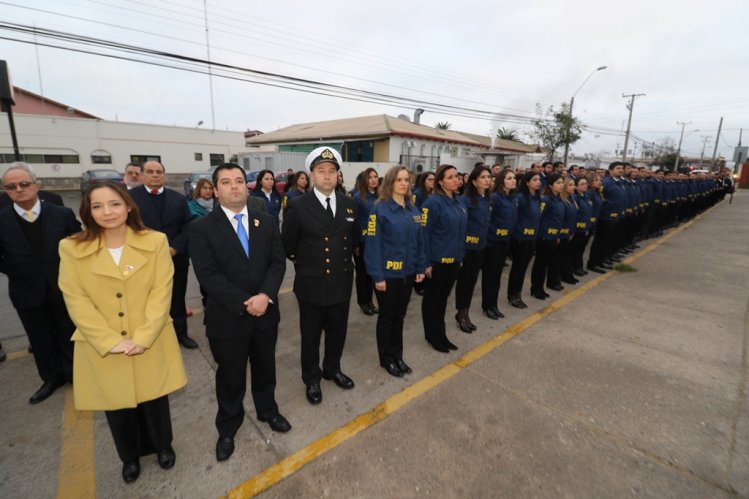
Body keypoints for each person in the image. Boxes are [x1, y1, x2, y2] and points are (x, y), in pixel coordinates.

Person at [58, 182, 187, 483]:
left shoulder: (154, 241)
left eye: (115, 204)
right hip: (102, 343)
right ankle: (129, 457)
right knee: (116, 407)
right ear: (87, 212)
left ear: (129, 206)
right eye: (98, 206)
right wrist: (110, 341)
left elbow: (161, 290)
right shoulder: (72, 248)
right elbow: (75, 299)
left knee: (155, 400)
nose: (108, 212)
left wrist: (142, 337)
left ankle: (162, 446)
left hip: (149, 337)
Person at [189, 163, 290, 463]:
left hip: (265, 314)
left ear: (247, 187)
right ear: (216, 190)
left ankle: (267, 410)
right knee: (230, 377)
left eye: (239, 181)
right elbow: (207, 275)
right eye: (226, 182)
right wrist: (248, 301)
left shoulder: (267, 221)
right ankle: (228, 427)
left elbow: (278, 263)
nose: (234, 186)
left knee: (265, 368)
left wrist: (265, 296)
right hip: (228, 318)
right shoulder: (201, 228)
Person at [281, 147, 358, 405]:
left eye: (332, 171)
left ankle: (332, 368)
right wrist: (307, 265)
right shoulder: (298, 205)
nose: (327, 176)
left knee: (338, 331)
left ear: (338, 175)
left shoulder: (349, 204)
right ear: (311, 175)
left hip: (341, 281)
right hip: (311, 283)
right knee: (311, 336)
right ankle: (312, 378)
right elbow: (288, 244)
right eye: (321, 171)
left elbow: (353, 240)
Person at [0, 162, 81, 404]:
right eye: (12, 186)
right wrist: (15, 269)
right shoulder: (1, 219)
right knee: (40, 337)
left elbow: (78, 244)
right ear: (6, 190)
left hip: (63, 287)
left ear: (36, 186)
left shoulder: (61, 214)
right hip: (26, 290)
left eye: (24, 184)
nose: (19, 189)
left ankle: (73, 373)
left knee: (68, 331)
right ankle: (50, 377)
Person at [364, 165, 426, 377]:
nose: (404, 183)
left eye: (406, 180)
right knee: (387, 317)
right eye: (399, 179)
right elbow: (372, 246)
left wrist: (420, 266)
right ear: (390, 182)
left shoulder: (413, 209)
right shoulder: (379, 209)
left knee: (399, 317)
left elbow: (419, 241)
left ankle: (397, 355)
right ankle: (386, 358)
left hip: (407, 274)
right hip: (387, 275)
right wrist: (377, 276)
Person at [129, 161, 198, 349]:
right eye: (150, 172)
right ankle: (151, 337)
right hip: (143, 260)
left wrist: (175, 247)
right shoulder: (130, 198)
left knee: (177, 298)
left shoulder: (178, 198)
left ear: (164, 175)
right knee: (147, 301)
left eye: (159, 172)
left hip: (176, 259)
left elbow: (188, 225)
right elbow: (127, 228)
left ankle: (181, 334)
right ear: (142, 175)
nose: (155, 175)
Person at [420, 164, 467, 353]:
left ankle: (441, 334)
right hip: (437, 262)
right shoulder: (431, 203)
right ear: (440, 181)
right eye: (450, 177)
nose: (456, 180)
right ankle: (432, 336)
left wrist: (460, 256)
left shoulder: (459, 202)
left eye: (457, 176)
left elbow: (462, 232)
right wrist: (425, 263)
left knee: (442, 300)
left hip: (454, 261)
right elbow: (423, 234)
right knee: (432, 300)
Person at [455, 166, 491, 333]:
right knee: (464, 282)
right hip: (467, 247)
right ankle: (461, 314)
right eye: (483, 177)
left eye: (488, 177)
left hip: (480, 247)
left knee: (472, 282)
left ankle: (466, 311)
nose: (487, 180)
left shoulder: (486, 199)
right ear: (474, 181)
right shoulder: (466, 200)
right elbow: (461, 227)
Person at [481, 168, 517, 320]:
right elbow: (487, 221)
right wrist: (493, 236)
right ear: (502, 181)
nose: (513, 180)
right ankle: (487, 306)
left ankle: (494, 305)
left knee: (497, 276)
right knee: (489, 275)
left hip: (504, 242)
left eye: (514, 178)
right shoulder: (495, 198)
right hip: (493, 242)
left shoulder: (512, 198)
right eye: (509, 178)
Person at [507, 172, 542, 308]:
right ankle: (512, 295)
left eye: (539, 179)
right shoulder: (521, 198)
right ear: (527, 183)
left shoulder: (536, 198)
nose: (538, 182)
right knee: (517, 267)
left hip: (531, 238)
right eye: (534, 180)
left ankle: (517, 293)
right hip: (521, 238)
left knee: (523, 268)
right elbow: (514, 218)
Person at [530, 173, 564, 300]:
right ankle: (535, 288)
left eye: (562, 183)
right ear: (550, 185)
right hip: (544, 237)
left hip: (553, 236)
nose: (561, 185)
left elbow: (558, 220)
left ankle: (540, 287)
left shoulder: (559, 199)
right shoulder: (546, 200)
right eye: (558, 183)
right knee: (540, 263)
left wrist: (557, 234)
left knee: (546, 263)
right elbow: (539, 218)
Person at [353, 168, 379, 316]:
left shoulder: (381, 196)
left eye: (375, 176)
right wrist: (355, 244)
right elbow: (353, 222)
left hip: (376, 242)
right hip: (362, 242)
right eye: (370, 177)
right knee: (362, 275)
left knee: (372, 274)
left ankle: (370, 301)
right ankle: (363, 302)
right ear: (364, 180)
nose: (374, 180)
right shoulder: (358, 197)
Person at [557, 178, 579, 285]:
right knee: (560, 256)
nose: (573, 187)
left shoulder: (572, 199)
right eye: (570, 185)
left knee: (567, 255)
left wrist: (572, 231)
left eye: (574, 185)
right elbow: (561, 218)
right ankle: (561, 275)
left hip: (569, 232)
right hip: (562, 233)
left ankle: (566, 274)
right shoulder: (561, 200)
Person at [570, 176, 593, 276]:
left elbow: (587, 214)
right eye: (582, 184)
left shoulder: (586, 196)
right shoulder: (575, 198)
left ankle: (578, 267)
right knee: (574, 249)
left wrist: (587, 227)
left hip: (584, 228)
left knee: (581, 249)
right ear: (576, 186)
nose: (585, 186)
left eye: (586, 183)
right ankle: (573, 268)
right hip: (576, 229)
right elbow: (574, 215)